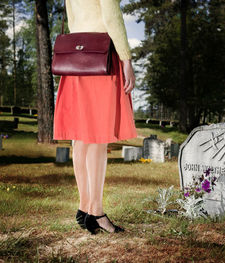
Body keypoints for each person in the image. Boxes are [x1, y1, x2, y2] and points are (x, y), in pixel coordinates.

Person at [53, 0, 137, 235]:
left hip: (78, 57)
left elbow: (73, 18)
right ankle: (97, 212)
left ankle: (85, 208)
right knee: (98, 138)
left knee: (82, 138)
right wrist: (126, 59)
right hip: (101, 58)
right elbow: (111, 16)